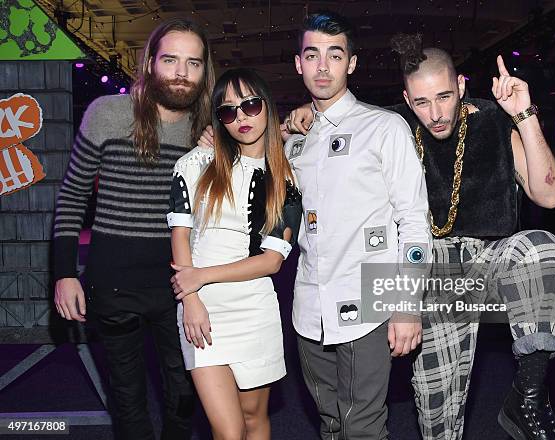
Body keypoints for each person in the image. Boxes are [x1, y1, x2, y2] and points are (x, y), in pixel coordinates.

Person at [286, 33, 555, 440]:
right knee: (440, 423)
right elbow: (333, 118)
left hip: (489, 261)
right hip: (430, 277)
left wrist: (524, 115)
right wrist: (300, 116)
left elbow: (550, 194)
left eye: (443, 97)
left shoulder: (492, 120)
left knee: (542, 249)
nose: (435, 113)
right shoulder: (390, 127)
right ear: (406, 98)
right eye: (421, 102)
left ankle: (527, 395)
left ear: (461, 86)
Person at [53, 17, 215, 440]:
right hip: (114, 286)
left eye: (193, 63)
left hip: (181, 286)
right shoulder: (106, 114)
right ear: (150, 64)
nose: (181, 72)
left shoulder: (212, 130)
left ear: (204, 71)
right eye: (171, 60)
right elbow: (71, 198)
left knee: (184, 395)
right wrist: (64, 273)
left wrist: (297, 119)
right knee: (128, 401)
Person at [284, 12, 431, 440]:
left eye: (335, 55)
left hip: (370, 300)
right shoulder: (293, 141)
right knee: (331, 424)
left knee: (363, 427)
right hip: (309, 308)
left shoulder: (385, 127)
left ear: (352, 63)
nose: (323, 67)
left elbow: (414, 225)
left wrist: (407, 304)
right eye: (313, 55)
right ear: (299, 64)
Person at [167, 68, 301, 440]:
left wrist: (202, 276)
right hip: (201, 311)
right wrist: (191, 297)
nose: (240, 117)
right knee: (227, 430)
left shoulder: (284, 179)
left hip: (254, 310)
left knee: (254, 419)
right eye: (228, 111)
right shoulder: (196, 165)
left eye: (250, 105)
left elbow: (272, 261)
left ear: (267, 108)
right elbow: (180, 236)